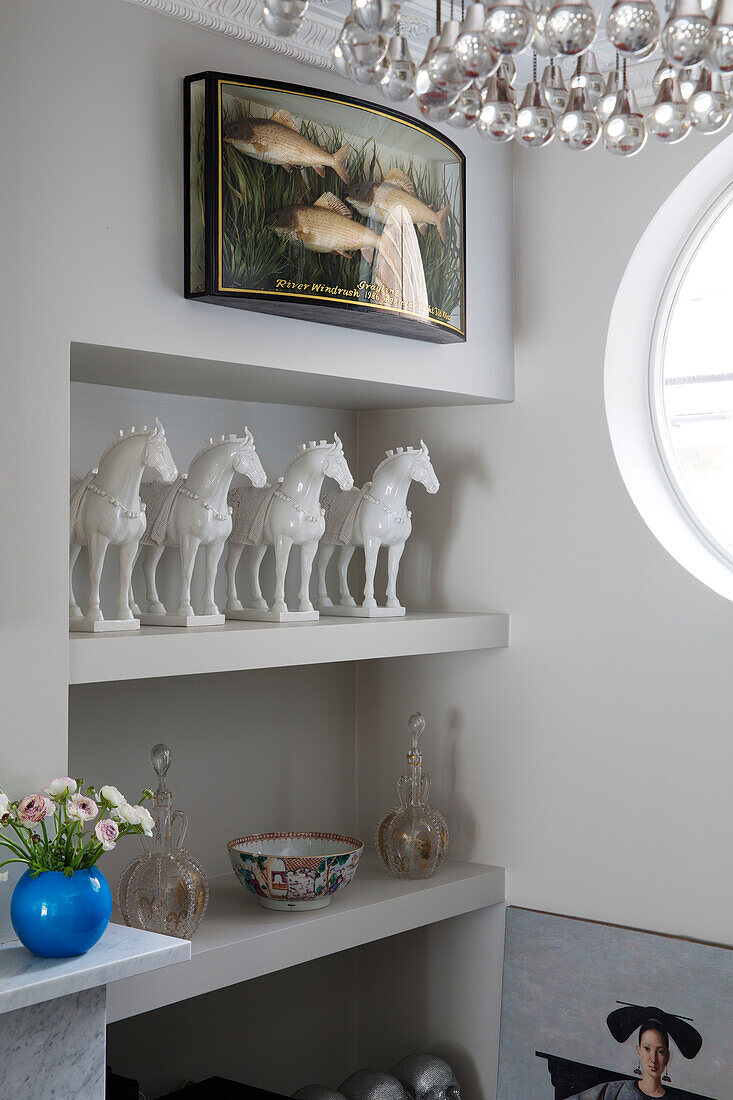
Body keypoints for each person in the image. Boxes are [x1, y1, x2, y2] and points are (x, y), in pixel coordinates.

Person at [566, 1004, 703, 1100]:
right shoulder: (615, 1091)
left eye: (660, 1051)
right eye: (647, 1049)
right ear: (639, 1051)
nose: (653, 1059)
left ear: (667, 1057)